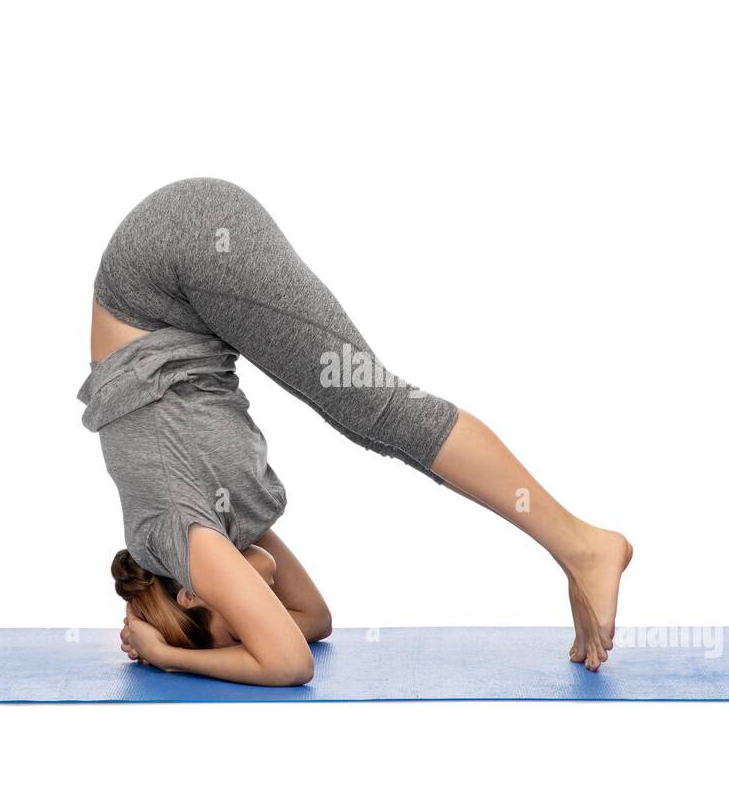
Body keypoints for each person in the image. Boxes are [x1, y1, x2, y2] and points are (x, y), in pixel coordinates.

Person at [80, 178, 631, 686]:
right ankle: (575, 550)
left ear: (193, 595)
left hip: (171, 257)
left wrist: (168, 656)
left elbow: (288, 663)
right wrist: (209, 633)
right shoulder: (206, 533)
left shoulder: (191, 541)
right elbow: (312, 623)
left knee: (376, 405)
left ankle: (583, 547)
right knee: (372, 418)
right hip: (173, 286)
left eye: (237, 629)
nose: (263, 598)